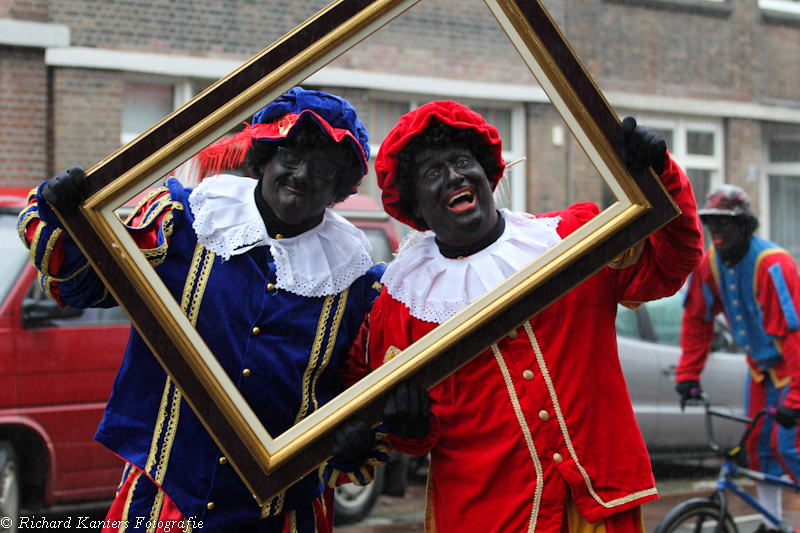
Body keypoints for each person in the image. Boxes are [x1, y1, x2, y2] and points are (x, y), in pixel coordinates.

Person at [17, 87, 391, 533]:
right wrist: (70, 215)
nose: (302, 174)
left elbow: (361, 394)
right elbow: (84, 284)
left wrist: (353, 441)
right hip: (164, 503)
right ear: (265, 158)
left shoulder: (356, 282)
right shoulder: (187, 222)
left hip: (282, 516)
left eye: (324, 166)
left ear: (338, 185)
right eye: (290, 154)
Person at [349, 101, 704, 533]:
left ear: (487, 174)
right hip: (487, 518)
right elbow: (400, 433)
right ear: (417, 208)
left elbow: (670, 266)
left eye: (463, 162)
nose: (454, 177)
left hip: (600, 507)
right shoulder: (400, 305)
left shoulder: (572, 238)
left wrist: (662, 177)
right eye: (432, 172)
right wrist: (408, 426)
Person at [675, 184, 800, 533]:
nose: (718, 233)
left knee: (788, 447)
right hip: (760, 372)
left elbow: (795, 338)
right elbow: (697, 321)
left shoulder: (773, 266)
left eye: (726, 224)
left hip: (794, 369)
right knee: (758, 448)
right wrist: (688, 374)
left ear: (745, 227)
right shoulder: (708, 266)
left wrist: (796, 399)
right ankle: (770, 525)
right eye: (713, 224)